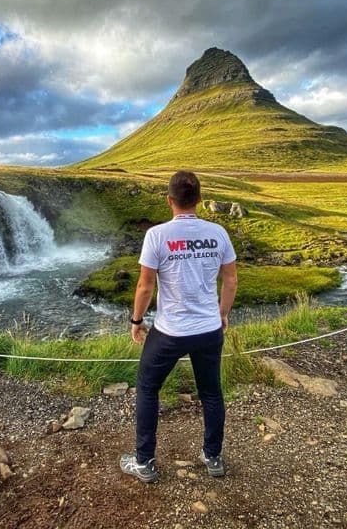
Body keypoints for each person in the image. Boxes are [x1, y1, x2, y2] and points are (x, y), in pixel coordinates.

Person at [120, 170, 238, 483]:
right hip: (208, 329)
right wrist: (222, 313)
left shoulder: (157, 236)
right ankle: (212, 457)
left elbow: (145, 286)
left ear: (170, 200)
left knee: (147, 388)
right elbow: (230, 279)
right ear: (199, 199)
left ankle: (144, 462)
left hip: (169, 331)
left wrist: (136, 320)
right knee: (211, 393)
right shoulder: (218, 233)